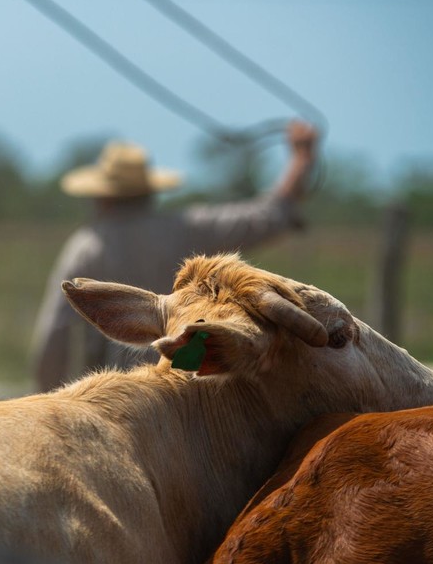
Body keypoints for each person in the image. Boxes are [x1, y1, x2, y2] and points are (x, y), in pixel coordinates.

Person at [30, 121, 319, 392]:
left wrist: (50, 398)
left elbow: (54, 335)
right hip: (195, 384)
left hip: (120, 393)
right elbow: (265, 216)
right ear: (149, 193)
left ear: (102, 196)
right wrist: (301, 159)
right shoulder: (187, 230)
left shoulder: (86, 246)